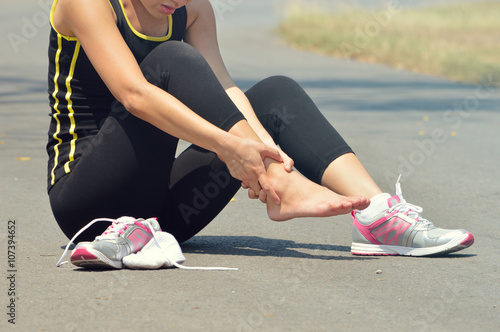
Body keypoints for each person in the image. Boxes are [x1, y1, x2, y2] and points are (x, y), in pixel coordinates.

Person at [47, 0, 473, 269]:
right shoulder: (87, 2)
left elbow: (226, 91)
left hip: (158, 216)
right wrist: (232, 148)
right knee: (172, 59)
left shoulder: (191, 9)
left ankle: (379, 215)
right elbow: (135, 95)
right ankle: (285, 187)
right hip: (86, 200)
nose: (177, 1)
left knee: (274, 94)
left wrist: (263, 153)